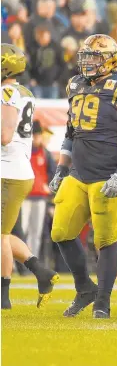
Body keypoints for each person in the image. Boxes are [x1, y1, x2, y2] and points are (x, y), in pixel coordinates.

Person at [48, 34, 117, 319]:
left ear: (110, 59)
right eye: (85, 56)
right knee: (61, 232)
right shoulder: (76, 84)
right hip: (78, 172)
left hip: (109, 173)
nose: (87, 62)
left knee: (105, 240)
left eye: (94, 57)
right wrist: (61, 168)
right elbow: (70, 130)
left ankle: (103, 301)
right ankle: (84, 288)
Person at [1, 44, 59, 310]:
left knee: (1, 235)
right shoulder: (24, 93)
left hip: (8, 171)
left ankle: (3, 296)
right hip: (17, 170)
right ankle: (41, 271)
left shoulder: (7, 92)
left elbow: (4, 135)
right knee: (4, 233)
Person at [21, 121, 56, 258]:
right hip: (24, 196)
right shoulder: (25, 152)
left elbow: (53, 173)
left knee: (36, 231)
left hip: (40, 197)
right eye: (35, 136)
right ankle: (20, 260)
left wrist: (50, 191)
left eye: (38, 136)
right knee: (22, 230)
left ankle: (31, 259)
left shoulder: (46, 154)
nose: (37, 139)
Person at [30, 23, 64, 99]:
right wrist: (32, 78)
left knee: (52, 106)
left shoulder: (56, 47)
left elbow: (62, 64)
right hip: (37, 83)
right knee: (38, 106)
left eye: (46, 35)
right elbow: (31, 65)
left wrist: (57, 80)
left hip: (52, 83)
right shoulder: (33, 48)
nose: (44, 39)